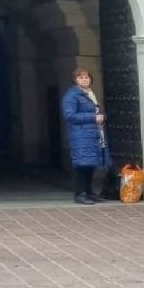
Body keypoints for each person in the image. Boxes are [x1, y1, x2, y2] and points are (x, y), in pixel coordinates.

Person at [61, 68, 110, 205]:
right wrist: (93, 117)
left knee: (90, 164)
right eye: (81, 77)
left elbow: (96, 110)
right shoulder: (72, 95)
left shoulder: (89, 94)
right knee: (81, 165)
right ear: (75, 80)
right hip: (80, 135)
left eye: (87, 77)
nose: (84, 80)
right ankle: (80, 193)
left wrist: (101, 116)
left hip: (92, 134)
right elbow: (69, 115)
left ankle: (89, 192)